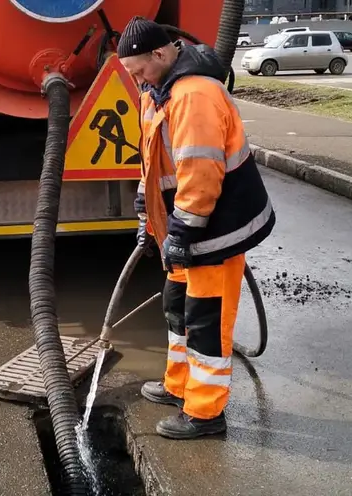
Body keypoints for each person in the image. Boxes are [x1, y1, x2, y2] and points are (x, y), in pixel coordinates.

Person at [117, 17, 276, 440]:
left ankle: (205, 414)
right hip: (186, 226)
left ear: (162, 53)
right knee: (177, 306)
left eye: (139, 70)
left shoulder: (195, 96)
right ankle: (180, 387)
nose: (136, 80)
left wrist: (183, 234)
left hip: (216, 228)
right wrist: (144, 213)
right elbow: (154, 164)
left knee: (206, 319)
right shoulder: (156, 94)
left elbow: (200, 172)